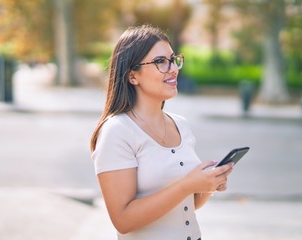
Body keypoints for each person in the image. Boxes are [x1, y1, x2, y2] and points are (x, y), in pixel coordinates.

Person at [90, 25, 234, 240]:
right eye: (160, 62)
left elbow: (186, 205)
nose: (174, 69)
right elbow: (123, 220)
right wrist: (188, 185)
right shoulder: (117, 131)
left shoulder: (181, 125)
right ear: (132, 76)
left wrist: (206, 186)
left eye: (174, 59)